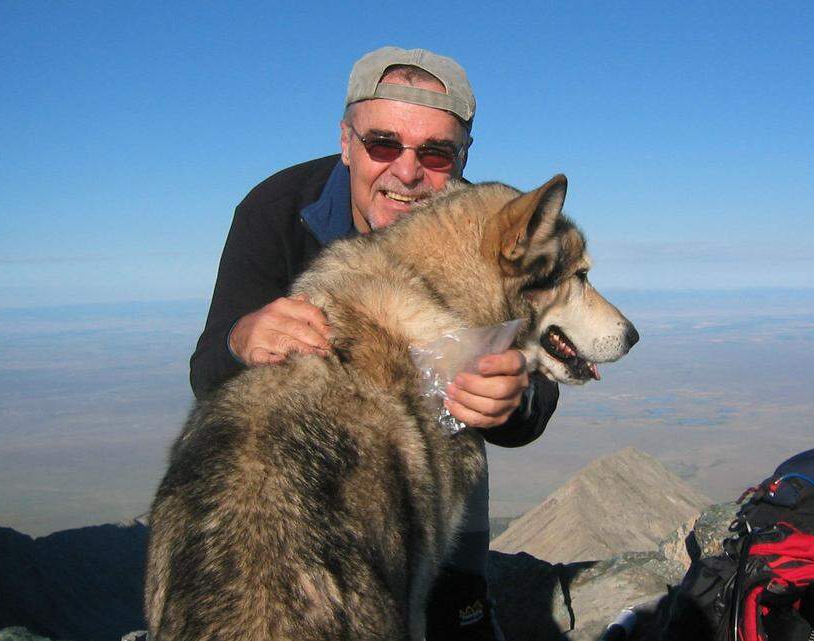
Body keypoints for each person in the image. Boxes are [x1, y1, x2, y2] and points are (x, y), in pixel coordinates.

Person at [189, 46, 559, 640]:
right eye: (382, 144)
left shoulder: (492, 230)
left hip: (435, 487)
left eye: (436, 153)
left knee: (450, 611)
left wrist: (515, 399)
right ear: (345, 141)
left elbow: (540, 378)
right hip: (295, 493)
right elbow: (209, 372)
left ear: (464, 157)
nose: (408, 173)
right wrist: (243, 337)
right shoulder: (277, 210)